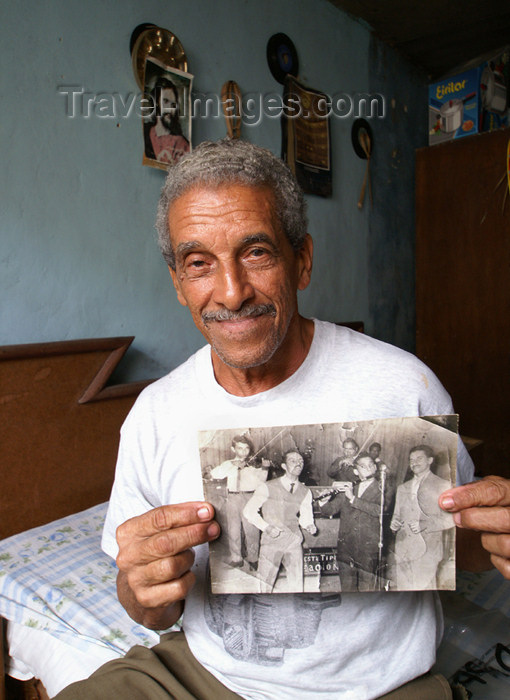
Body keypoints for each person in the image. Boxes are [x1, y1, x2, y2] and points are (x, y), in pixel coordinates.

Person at [54, 139, 510, 700]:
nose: (231, 292)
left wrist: (496, 539)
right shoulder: (154, 413)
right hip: (201, 677)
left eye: (256, 253)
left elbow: (459, 545)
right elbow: (148, 610)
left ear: (303, 260)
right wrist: (144, 589)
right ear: (177, 282)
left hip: (376, 690)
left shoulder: (401, 385)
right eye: (199, 263)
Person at [243, 450, 317, 592]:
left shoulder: (305, 491)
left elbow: (305, 517)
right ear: (284, 466)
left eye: (300, 461)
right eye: (293, 461)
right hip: (272, 541)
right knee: (264, 584)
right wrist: (266, 527)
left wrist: (309, 525)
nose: (298, 464)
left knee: (296, 584)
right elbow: (248, 511)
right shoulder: (267, 486)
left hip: (294, 541)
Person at [319, 452, 388, 591]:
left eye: (371, 465)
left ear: (375, 468)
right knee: (347, 589)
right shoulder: (350, 487)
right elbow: (330, 510)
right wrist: (323, 502)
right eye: (363, 466)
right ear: (356, 471)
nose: (368, 468)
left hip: (367, 549)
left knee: (368, 589)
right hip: (346, 549)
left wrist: (353, 499)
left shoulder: (383, 488)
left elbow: (380, 510)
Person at [390, 445, 454, 590]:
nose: (414, 463)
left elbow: (452, 519)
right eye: (411, 459)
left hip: (427, 551)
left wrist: (425, 524)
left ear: (430, 460)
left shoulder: (443, 485)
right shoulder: (402, 488)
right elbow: (397, 515)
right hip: (403, 550)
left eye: (419, 458)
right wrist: (394, 523)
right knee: (404, 593)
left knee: (423, 593)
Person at [209, 434, 268, 569]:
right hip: (233, 497)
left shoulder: (253, 464)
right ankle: (236, 558)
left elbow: (261, 481)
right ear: (233, 449)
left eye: (246, 449)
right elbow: (215, 474)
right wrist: (232, 466)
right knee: (233, 528)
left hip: (249, 497)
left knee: (251, 529)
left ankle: (253, 558)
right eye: (240, 449)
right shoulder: (228, 464)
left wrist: (265, 468)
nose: (244, 452)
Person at [144, 77, 190, 165]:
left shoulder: (182, 144)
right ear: (156, 102)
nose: (169, 109)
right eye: (165, 101)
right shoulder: (146, 131)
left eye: (173, 104)